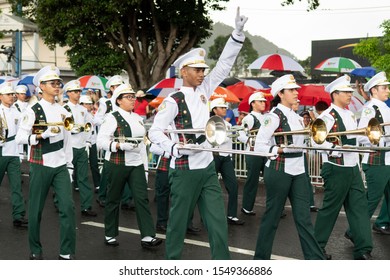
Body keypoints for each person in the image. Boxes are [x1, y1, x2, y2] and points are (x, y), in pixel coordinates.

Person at [148, 7, 248, 260]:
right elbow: (155, 133)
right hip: (183, 170)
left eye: (204, 69)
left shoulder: (205, 90)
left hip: (206, 168)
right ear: (184, 72)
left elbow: (224, 65)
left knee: (217, 224)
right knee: (178, 224)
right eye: (197, 70)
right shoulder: (174, 100)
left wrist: (236, 34)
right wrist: (174, 148)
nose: (203, 73)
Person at [253, 74, 325, 260]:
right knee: (272, 218)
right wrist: (277, 148)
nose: (296, 93)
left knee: (304, 219)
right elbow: (259, 144)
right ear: (281, 93)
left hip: (299, 170)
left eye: (296, 90)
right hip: (279, 169)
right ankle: (260, 261)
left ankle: (315, 260)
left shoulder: (297, 117)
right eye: (292, 90)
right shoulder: (273, 117)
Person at [16, 65, 76, 260]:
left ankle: (66, 252)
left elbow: (68, 140)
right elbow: (20, 138)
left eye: (58, 83)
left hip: (60, 165)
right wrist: (40, 136)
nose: (57, 85)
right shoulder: (33, 110)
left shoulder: (64, 110)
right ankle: (35, 249)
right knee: (36, 210)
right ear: (41, 86)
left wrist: (69, 165)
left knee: (67, 208)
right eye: (52, 83)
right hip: (40, 163)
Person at [312, 74, 373, 260]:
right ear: (335, 93)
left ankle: (363, 249)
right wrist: (336, 149)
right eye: (346, 92)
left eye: (350, 92)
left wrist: (372, 136)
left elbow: (356, 137)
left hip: (353, 168)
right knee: (330, 210)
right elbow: (316, 142)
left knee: (359, 209)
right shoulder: (327, 117)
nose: (350, 95)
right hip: (336, 168)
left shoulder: (348, 114)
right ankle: (316, 248)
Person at [97, 83, 162, 248]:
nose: (133, 100)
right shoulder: (112, 117)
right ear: (118, 100)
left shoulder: (138, 119)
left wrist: (145, 168)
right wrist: (118, 146)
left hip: (136, 164)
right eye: (128, 97)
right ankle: (110, 234)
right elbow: (101, 141)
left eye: (133, 97)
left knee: (142, 198)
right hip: (117, 163)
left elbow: (142, 144)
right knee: (113, 199)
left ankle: (147, 236)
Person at [354, 71, 390, 234]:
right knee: (371, 200)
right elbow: (361, 136)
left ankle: (383, 223)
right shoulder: (370, 109)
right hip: (376, 160)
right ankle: (353, 231)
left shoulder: (385, 107)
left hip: (387, 159)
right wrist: (382, 139)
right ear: (374, 90)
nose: (388, 90)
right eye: (385, 88)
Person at [210, 97, 244, 225]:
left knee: (233, 186)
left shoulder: (229, 125)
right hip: (215, 156)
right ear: (214, 110)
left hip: (226, 158)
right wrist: (230, 134)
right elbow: (216, 139)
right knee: (211, 188)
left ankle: (232, 215)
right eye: (221, 107)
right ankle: (208, 215)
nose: (225, 109)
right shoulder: (210, 124)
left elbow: (241, 136)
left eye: (225, 107)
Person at [0, 82, 28, 228]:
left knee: (16, 186)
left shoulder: (17, 112)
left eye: (12, 94)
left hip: (14, 153)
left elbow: (22, 132)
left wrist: (21, 152)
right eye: (8, 94)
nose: (11, 97)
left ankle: (18, 215)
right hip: (1, 152)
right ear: (0, 97)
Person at [237, 91, 268, 215]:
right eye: (260, 101)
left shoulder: (266, 117)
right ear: (253, 103)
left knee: (271, 180)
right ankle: (247, 207)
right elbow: (240, 134)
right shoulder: (249, 118)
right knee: (252, 181)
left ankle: (274, 208)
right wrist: (250, 142)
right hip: (253, 153)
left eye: (264, 101)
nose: (263, 103)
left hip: (265, 152)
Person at [80, 95, 101, 193]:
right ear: (81, 104)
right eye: (86, 104)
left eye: (90, 104)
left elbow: (98, 121)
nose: (89, 105)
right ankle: (77, 184)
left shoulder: (92, 115)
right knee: (79, 165)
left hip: (92, 142)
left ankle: (98, 184)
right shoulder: (79, 114)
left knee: (94, 164)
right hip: (82, 142)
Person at [299, 110, 318, 212]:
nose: (306, 119)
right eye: (304, 118)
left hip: (308, 154)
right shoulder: (297, 124)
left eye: (307, 118)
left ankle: (310, 203)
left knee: (307, 178)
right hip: (298, 155)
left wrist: (314, 118)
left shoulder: (311, 126)